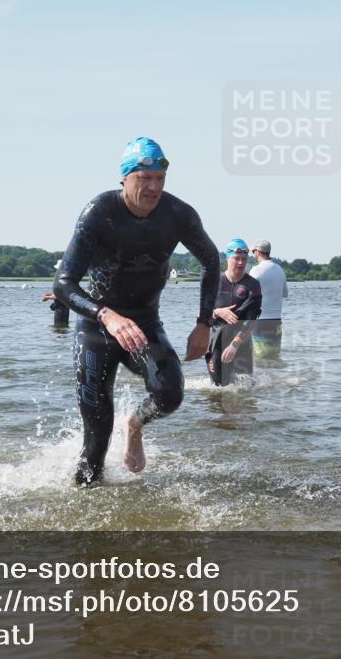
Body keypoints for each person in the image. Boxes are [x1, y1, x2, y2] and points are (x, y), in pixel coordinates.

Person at [53, 136, 220, 486]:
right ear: (125, 179)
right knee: (96, 440)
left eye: (160, 178)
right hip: (97, 328)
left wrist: (203, 323)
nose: (154, 186)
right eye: (145, 178)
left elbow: (210, 261)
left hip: (144, 322)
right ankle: (86, 517)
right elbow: (63, 284)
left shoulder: (178, 215)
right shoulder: (99, 214)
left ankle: (135, 425)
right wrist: (107, 316)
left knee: (170, 393)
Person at [207, 239, 262, 386]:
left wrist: (234, 345)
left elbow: (250, 321)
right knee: (218, 388)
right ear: (227, 258)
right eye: (236, 259)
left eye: (244, 259)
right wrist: (218, 312)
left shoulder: (253, 285)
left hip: (241, 342)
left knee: (244, 390)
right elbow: (201, 314)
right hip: (217, 341)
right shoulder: (214, 282)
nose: (240, 263)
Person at [249, 239, 288, 359]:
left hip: (260, 321)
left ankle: (262, 378)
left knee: (260, 356)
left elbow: (246, 293)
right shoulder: (280, 270)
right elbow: (285, 294)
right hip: (276, 321)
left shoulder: (256, 270)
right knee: (273, 356)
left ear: (258, 252)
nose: (253, 253)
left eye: (253, 251)